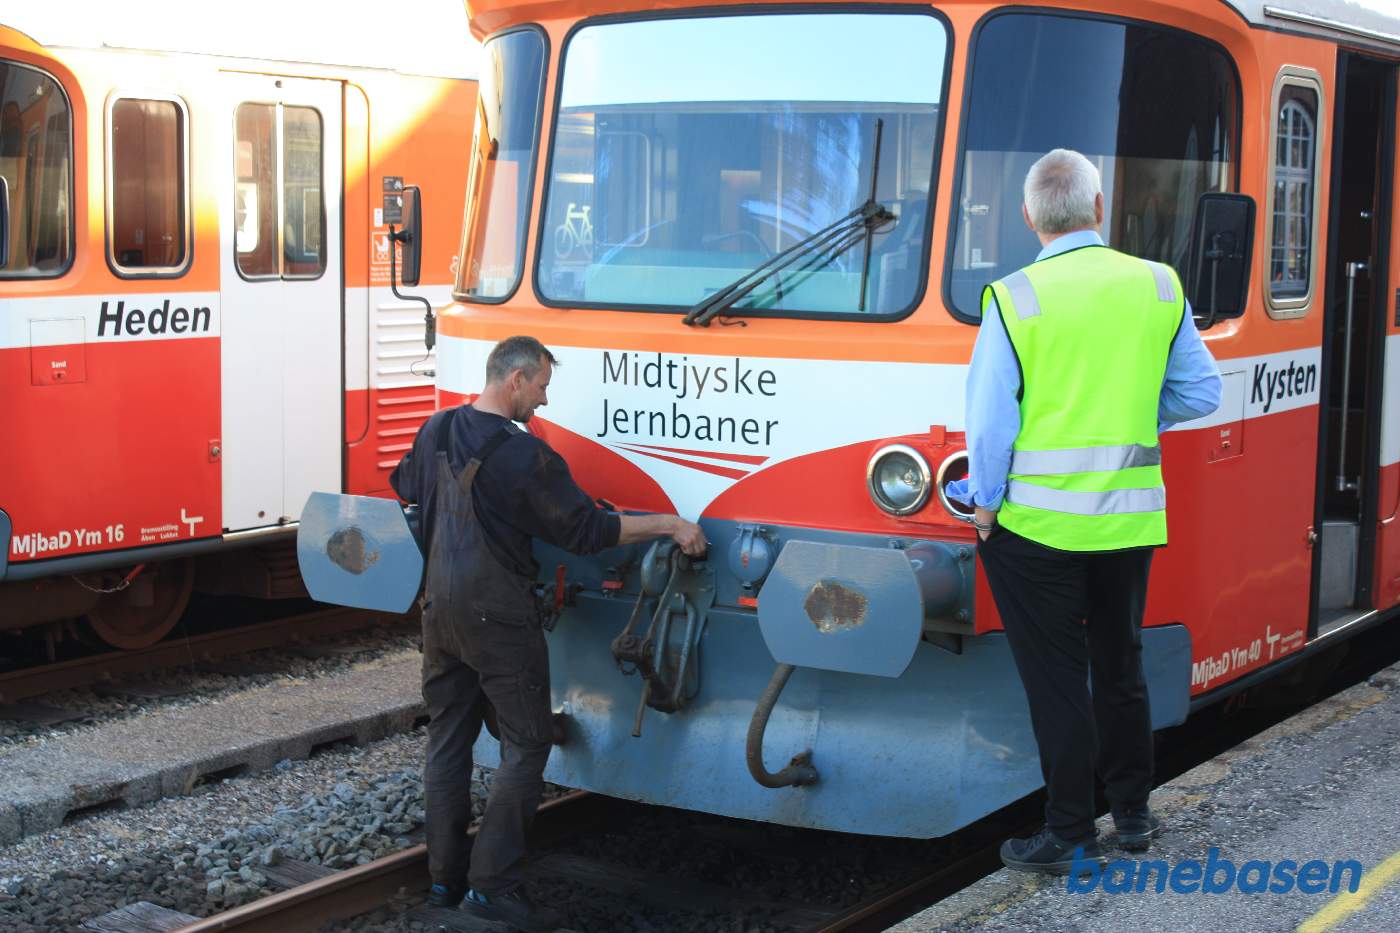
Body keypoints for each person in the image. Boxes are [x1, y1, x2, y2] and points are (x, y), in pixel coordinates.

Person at [947, 149, 1222, 875]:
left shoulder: (1014, 297)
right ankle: (1132, 815)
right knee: (1120, 663)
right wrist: (1135, 418)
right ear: (1100, 210)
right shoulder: (1158, 285)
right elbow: (1202, 394)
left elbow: (989, 425)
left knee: (1058, 679)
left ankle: (1070, 832)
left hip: (1036, 529)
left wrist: (984, 506)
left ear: (1029, 216)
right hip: (1128, 521)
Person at [390, 335, 706, 930]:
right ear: (515, 380)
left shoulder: (435, 429)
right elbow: (588, 532)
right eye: (540, 387)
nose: (543, 400)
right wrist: (671, 525)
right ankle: (491, 888)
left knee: (449, 738)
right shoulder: (523, 454)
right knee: (528, 744)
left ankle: (443, 881)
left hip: (437, 613)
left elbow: (407, 491)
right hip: (499, 619)